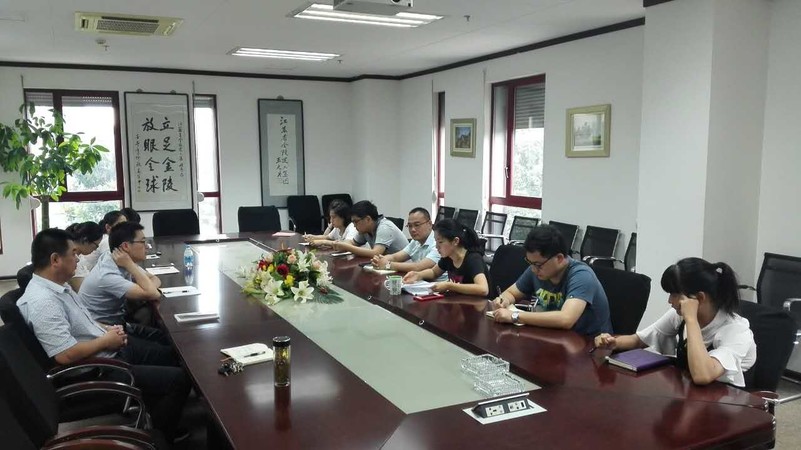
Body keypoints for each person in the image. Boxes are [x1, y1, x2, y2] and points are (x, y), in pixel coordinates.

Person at [16, 228, 190, 441]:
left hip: (108, 348)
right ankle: (159, 438)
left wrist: (106, 329)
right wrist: (106, 340)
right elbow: (65, 355)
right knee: (180, 379)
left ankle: (155, 412)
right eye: (74, 254)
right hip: (100, 368)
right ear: (55, 260)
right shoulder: (43, 302)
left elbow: (82, 322)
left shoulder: (58, 287)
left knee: (176, 356)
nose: (78, 259)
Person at [593, 257, 756, 387]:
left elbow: (702, 375)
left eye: (675, 294)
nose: (670, 301)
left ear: (699, 298)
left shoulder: (736, 331)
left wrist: (691, 320)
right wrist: (613, 342)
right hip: (691, 395)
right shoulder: (679, 315)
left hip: (728, 405)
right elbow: (639, 340)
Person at [492, 225, 612, 335]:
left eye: (538, 265)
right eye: (530, 263)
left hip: (590, 343)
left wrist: (515, 316)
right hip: (554, 336)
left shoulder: (581, 275)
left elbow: (566, 319)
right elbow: (511, 293)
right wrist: (504, 300)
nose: (533, 269)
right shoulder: (537, 269)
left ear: (559, 258)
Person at [80, 221, 162, 326]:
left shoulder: (117, 257)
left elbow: (154, 279)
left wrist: (148, 287)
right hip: (103, 329)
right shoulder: (108, 274)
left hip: (118, 321)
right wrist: (131, 266)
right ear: (126, 246)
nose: (147, 246)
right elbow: (154, 293)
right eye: (143, 242)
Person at [402, 218, 489, 296]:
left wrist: (449, 286)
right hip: (460, 302)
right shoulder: (448, 257)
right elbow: (434, 272)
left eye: (440, 242)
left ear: (455, 241)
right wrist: (418, 275)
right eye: (436, 242)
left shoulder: (473, 259)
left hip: (479, 305)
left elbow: (483, 289)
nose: (437, 246)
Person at [371, 207, 445, 279]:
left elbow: (418, 267)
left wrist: (388, 265)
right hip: (419, 281)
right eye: (410, 226)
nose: (413, 229)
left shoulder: (438, 243)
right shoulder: (415, 241)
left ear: (429, 224)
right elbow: (395, 257)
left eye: (417, 225)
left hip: (437, 284)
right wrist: (380, 260)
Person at [329, 200, 408, 258]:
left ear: (368, 219)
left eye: (356, 222)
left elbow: (376, 253)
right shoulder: (365, 230)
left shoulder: (385, 227)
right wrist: (341, 244)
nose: (354, 226)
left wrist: (346, 247)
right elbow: (352, 242)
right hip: (386, 266)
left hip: (404, 268)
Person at [75, 210, 127, 278]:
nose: (125, 229)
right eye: (121, 225)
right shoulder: (106, 241)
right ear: (108, 227)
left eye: (126, 225)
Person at [64, 221, 103, 292]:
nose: (95, 249)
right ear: (85, 240)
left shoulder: (80, 258)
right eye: (96, 245)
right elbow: (82, 291)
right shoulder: (72, 261)